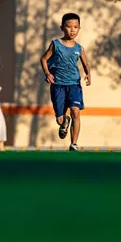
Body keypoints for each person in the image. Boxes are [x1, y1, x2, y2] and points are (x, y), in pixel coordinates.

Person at [40, 13, 91, 151]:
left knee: (76, 111)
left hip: (74, 84)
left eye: (76, 27)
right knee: (60, 120)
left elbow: (86, 64)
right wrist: (47, 73)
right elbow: (43, 59)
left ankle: (73, 144)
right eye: (69, 27)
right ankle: (64, 122)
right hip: (58, 85)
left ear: (79, 28)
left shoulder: (79, 49)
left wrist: (88, 74)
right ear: (62, 28)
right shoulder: (55, 44)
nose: (72, 30)